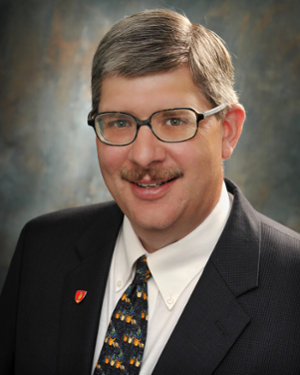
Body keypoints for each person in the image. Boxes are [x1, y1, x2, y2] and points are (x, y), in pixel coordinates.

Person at [1, 9, 300, 375]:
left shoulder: (292, 286)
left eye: (174, 121)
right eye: (120, 122)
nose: (143, 156)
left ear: (228, 131)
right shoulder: (42, 249)